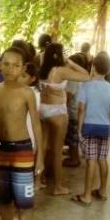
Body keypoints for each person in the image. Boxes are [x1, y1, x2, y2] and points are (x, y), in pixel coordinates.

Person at [0, 47, 43, 220]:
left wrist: (40, 157)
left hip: (22, 151)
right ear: (0, 65)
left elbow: (37, 125)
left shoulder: (27, 92)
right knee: (4, 202)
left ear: (23, 68)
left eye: (16, 65)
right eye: (6, 64)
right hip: (0, 150)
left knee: (25, 204)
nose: (10, 69)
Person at [38, 43, 90, 195]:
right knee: (57, 150)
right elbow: (86, 76)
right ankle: (58, 186)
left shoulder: (43, 69)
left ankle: (38, 181)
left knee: (43, 147)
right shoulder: (61, 71)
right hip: (57, 111)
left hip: (43, 109)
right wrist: (71, 63)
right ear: (58, 55)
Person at [72, 53, 110, 206]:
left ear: (93, 67)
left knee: (91, 160)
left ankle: (86, 195)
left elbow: (81, 109)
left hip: (89, 126)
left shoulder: (86, 86)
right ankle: (103, 191)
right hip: (105, 128)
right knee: (102, 159)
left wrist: (79, 128)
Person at [63, 53, 88, 168]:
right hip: (80, 112)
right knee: (75, 136)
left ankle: (74, 158)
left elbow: (68, 96)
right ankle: (74, 154)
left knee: (73, 137)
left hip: (73, 112)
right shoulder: (82, 78)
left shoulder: (73, 79)